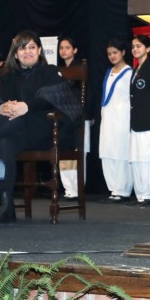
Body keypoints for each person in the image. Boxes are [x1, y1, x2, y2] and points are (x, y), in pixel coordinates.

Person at [0, 30, 81, 224]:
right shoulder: (8, 77)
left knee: (17, 117)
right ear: (15, 54)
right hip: (17, 134)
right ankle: (6, 207)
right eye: (22, 48)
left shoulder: (50, 72)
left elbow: (53, 99)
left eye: (32, 47)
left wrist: (27, 107)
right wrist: (1, 107)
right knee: (4, 142)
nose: (27, 51)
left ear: (39, 50)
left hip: (45, 130)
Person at [98, 38, 133, 203]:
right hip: (108, 118)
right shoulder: (108, 72)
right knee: (107, 152)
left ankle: (123, 189)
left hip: (122, 118)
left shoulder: (129, 73)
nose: (112, 56)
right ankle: (113, 188)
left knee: (120, 152)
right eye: (109, 54)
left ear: (123, 52)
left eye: (115, 53)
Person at [129, 35, 150, 207]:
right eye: (133, 46)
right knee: (138, 158)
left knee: (148, 159)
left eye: (139, 46)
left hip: (149, 121)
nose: (135, 49)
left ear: (148, 48)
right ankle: (141, 194)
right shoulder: (137, 69)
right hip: (137, 122)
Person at [56, 35, 85, 199]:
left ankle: (76, 188)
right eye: (61, 48)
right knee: (62, 149)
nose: (63, 51)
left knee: (75, 150)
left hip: (75, 116)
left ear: (75, 50)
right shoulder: (59, 70)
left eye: (67, 47)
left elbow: (87, 94)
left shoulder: (80, 69)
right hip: (62, 116)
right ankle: (68, 189)